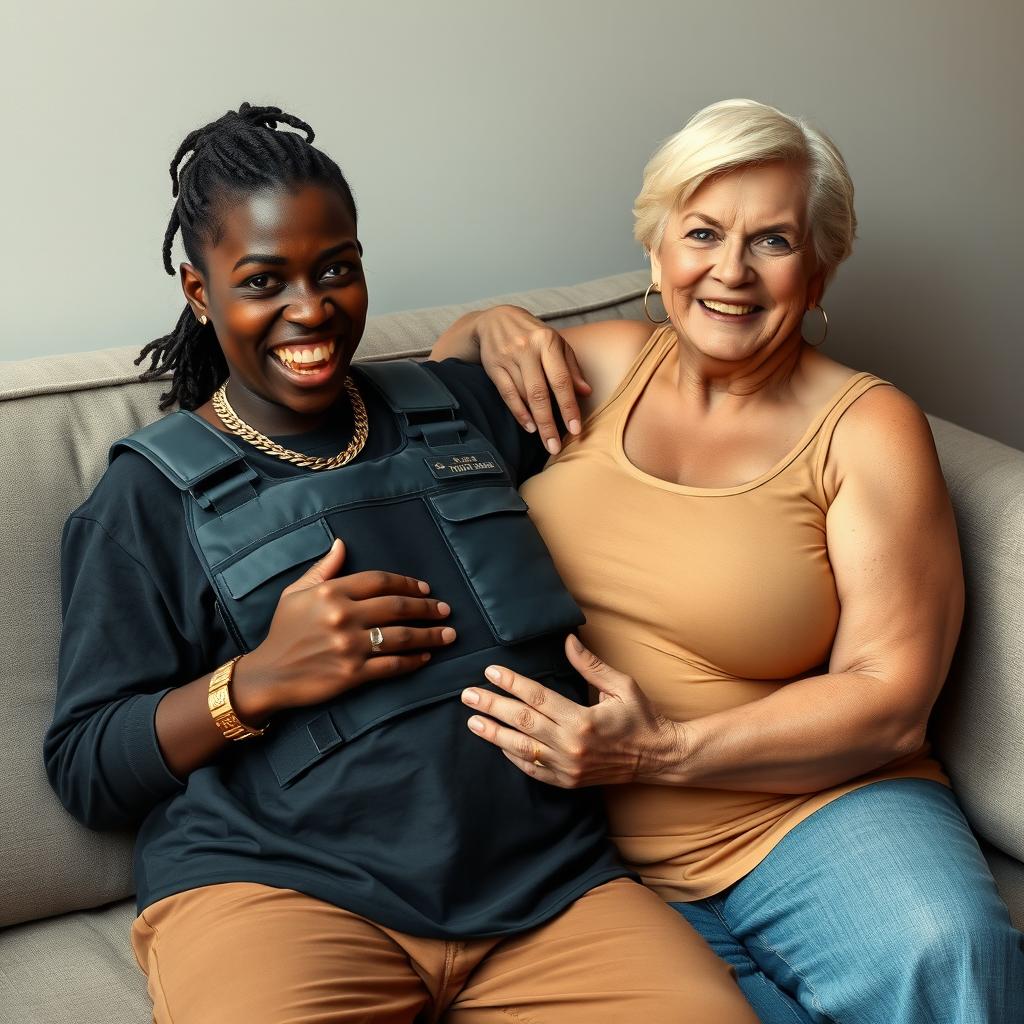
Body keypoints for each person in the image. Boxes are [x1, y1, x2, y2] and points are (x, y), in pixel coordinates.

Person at [44, 103, 759, 1023]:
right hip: (281, 895)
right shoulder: (145, 501)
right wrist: (255, 681)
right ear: (198, 289)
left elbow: (677, 422)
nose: (311, 308)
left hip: (544, 893)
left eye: (336, 268)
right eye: (263, 280)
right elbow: (85, 767)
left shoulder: (467, 408)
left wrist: (497, 323)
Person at [433, 98, 1024, 1023]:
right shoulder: (598, 366)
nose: (730, 272)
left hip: (816, 816)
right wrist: (491, 323)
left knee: (948, 955)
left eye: (773, 242)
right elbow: (430, 421)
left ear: (822, 263)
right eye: (702, 232)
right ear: (658, 248)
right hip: (587, 860)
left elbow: (892, 696)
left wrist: (657, 753)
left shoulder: (866, 429)